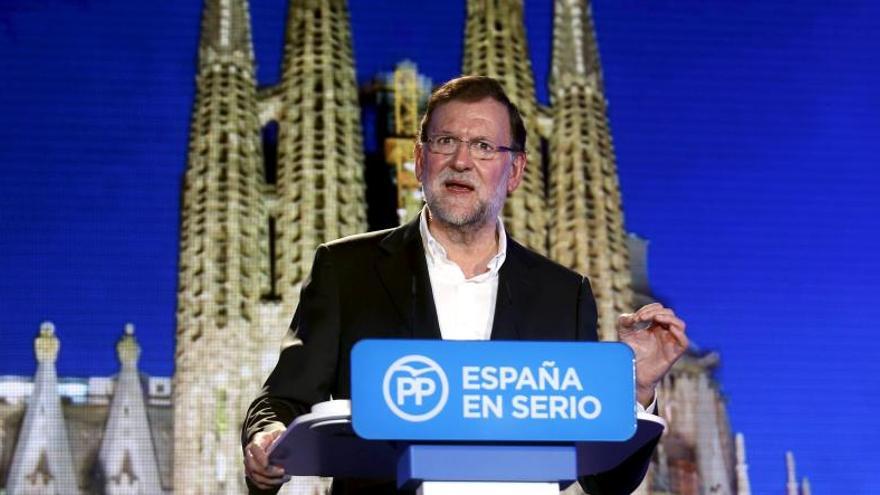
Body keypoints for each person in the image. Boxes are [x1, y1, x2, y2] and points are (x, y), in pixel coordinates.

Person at [242, 75, 688, 494]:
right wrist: (267, 439)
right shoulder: (347, 269)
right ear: (420, 159)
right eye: (445, 141)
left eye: (483, 146)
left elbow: (603, 480)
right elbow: (283, 398)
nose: (461, 160)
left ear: (513, 172)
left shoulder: (563, 294)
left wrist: (637, 390)